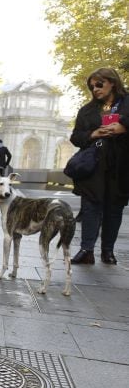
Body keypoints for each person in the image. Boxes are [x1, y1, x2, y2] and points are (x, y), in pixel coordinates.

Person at [69, 67, 129, 265]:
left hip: (121, 165)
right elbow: (76, 137)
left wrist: (123, 126)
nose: (95, 89)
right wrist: (93, 134)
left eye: (99, 84)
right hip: (94, 164)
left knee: (114, 208)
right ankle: (86, 250)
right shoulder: (87, 110)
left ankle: (108, 251)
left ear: (112, 82)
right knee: (90, 205)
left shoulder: (127, 103)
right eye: (92, 86)